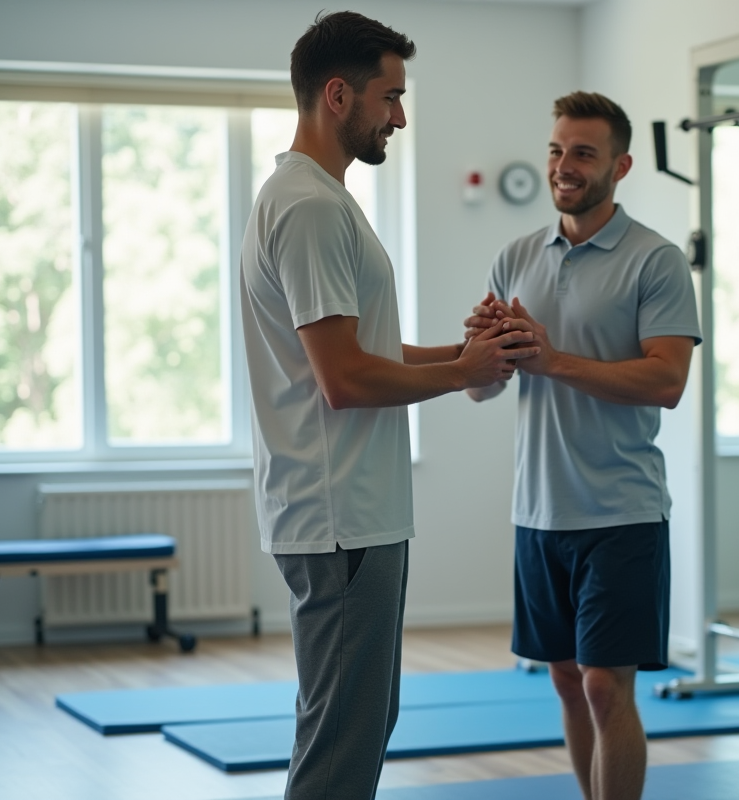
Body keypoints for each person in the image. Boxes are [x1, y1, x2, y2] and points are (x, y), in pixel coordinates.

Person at [240, 12, 538, 800]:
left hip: (349, 516)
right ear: (338, 96)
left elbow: (361, 351)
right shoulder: (308, 208)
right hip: (341, 519)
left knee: (360, 726)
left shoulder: (319, 199)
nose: (400, 117)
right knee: (342, 746)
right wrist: (461, 371)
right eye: (391, 97)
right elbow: (344, 380)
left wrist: (470, 354)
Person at [465, 92, 702, 800]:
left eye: (583, 153)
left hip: (621, 511)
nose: (564, 166)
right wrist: (486, 351)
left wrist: (550, 357)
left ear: (620, 166)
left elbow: (667, 380)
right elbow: (483, 389)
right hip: (539, 512)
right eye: (556, 150)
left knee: (605, 685)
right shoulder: (515, 256)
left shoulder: (654, 262)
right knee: (567, 681)